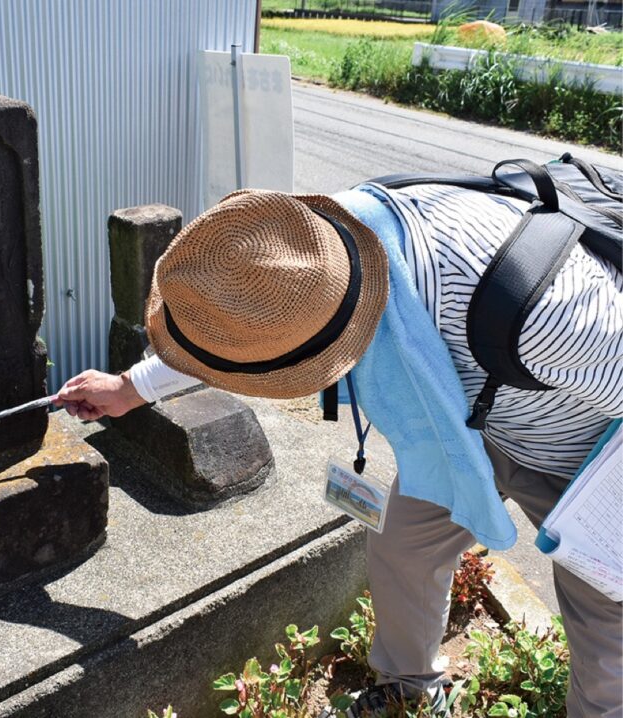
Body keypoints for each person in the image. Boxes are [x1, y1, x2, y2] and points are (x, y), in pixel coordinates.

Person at [52, 184, 622, 718]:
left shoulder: (546, 312)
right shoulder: (315, 251)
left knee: (607, 639)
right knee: (403, 544)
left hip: (588, 458)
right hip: (466, 432)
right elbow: (238, 336)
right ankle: (410, 687)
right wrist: (129, 389)